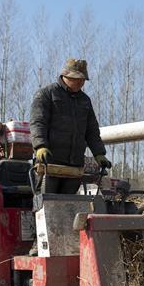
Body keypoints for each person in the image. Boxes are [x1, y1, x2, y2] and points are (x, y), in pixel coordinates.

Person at [29, 58, 112, 194]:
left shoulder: (85, 101)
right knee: (45, 205)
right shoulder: (46, 94)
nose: (81, 82)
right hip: (49, 163)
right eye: (77, 79)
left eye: (83, 79)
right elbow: (38, 122)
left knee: (68, 205)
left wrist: (99, 154)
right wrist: (40, 146)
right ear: (65, 76)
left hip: (74, 166)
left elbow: (91, 131)